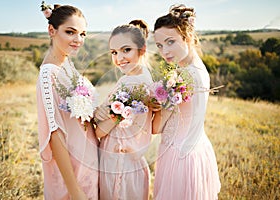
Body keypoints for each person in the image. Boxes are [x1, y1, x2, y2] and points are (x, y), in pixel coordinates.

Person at [151, 4, 221, 199]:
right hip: (195, 148)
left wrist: (153, 104)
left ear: (188, 37)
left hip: (179, 156)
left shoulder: (183, 78)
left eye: (170, 42)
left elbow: (157, 128)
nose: (164, 51)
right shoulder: (196, 68)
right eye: (159, 45)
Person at [36, 2, 98, 199]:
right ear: (51, 30)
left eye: (82, 34)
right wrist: (74, 190)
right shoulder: (49, 75)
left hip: (89, 164)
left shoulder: (67, 65)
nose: (78, 40)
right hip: (73, 173)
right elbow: (54, 134)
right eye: (70, 32)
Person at [94, 20, 153, 200]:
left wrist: (98, 119)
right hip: (130, 161)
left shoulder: (131, 83)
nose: (119, 58)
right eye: (114, 52)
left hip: (118, 162)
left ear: (141, 50)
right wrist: (98, 112)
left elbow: (102, 130)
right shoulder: (143, 76)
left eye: (126, 50)